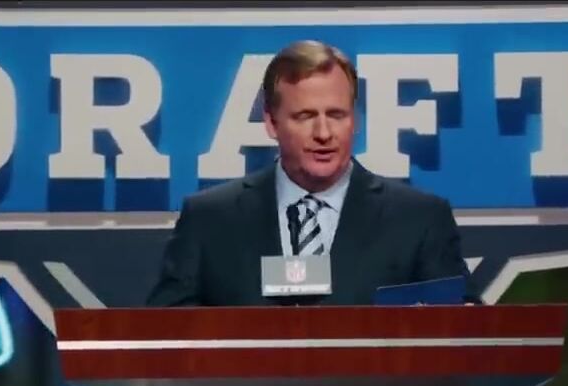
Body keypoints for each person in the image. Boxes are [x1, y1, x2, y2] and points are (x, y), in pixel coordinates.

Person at [146, 40, 478, 307]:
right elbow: (166, 334)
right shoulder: (209, 219)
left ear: (355, 119)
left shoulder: (419, 219)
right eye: (305, 116)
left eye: (336, 115)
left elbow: (466, 332)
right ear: (271, 122)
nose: (323, 133)